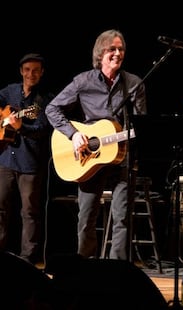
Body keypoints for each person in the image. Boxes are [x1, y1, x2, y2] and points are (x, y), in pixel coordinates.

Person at [45, 29, 147, 260]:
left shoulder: (134, 83)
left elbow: (142, 124)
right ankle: (84, 269)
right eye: (112, 49)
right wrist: (73, 135)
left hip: (123, 157)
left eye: (121, 49)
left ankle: (116, 271)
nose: (118, 53)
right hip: (89, 158)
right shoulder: (83, 81)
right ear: (100, 53)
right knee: (86, 216)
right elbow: (52, 108)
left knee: (121, 217)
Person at [0, 53, 54, 265]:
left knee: (29, 212)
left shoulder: (42, 101)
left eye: (36, 71)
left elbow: (42, 129)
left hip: (30, 163)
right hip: (5, 159)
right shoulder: (9, 91)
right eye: (27, 70)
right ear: (22, 71)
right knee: (0, 209)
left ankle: (27, 260)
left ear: (41, 74)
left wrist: (21, 127)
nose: (31, 74)